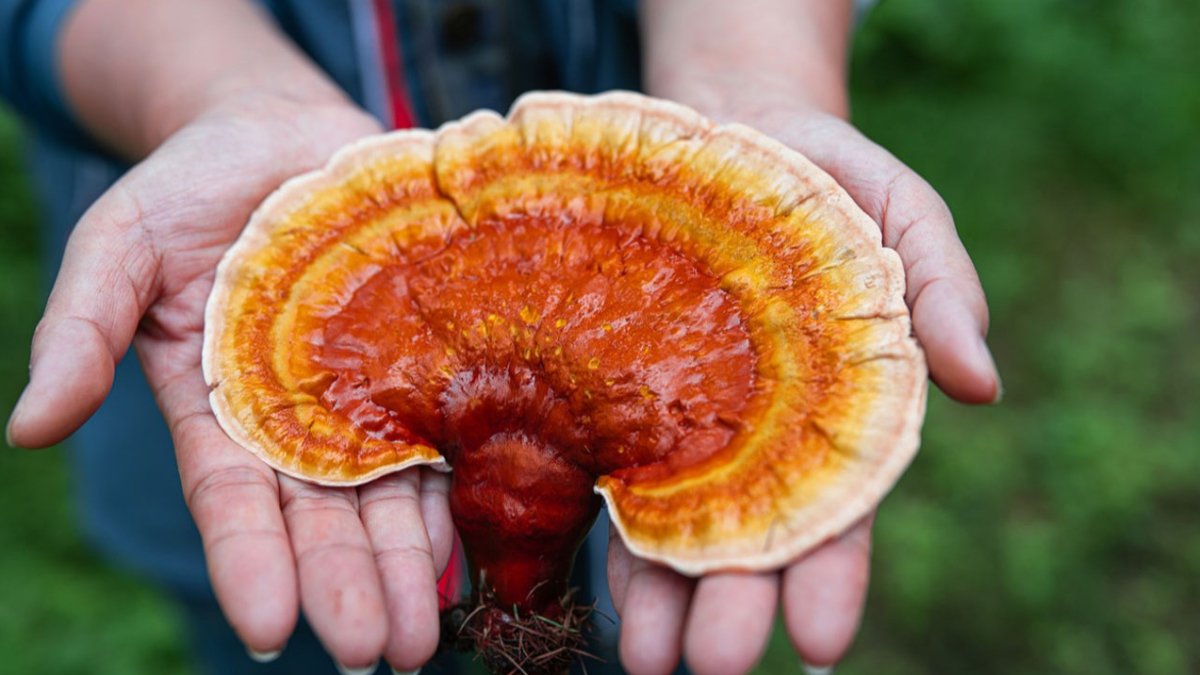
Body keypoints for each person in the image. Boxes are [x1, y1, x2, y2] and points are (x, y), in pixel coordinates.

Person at [1, 1, 1001, 674]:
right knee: (291, 628)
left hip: (646, 460)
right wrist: (202, 87)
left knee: (644, 615)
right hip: (236, 451)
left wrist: (746, 65)